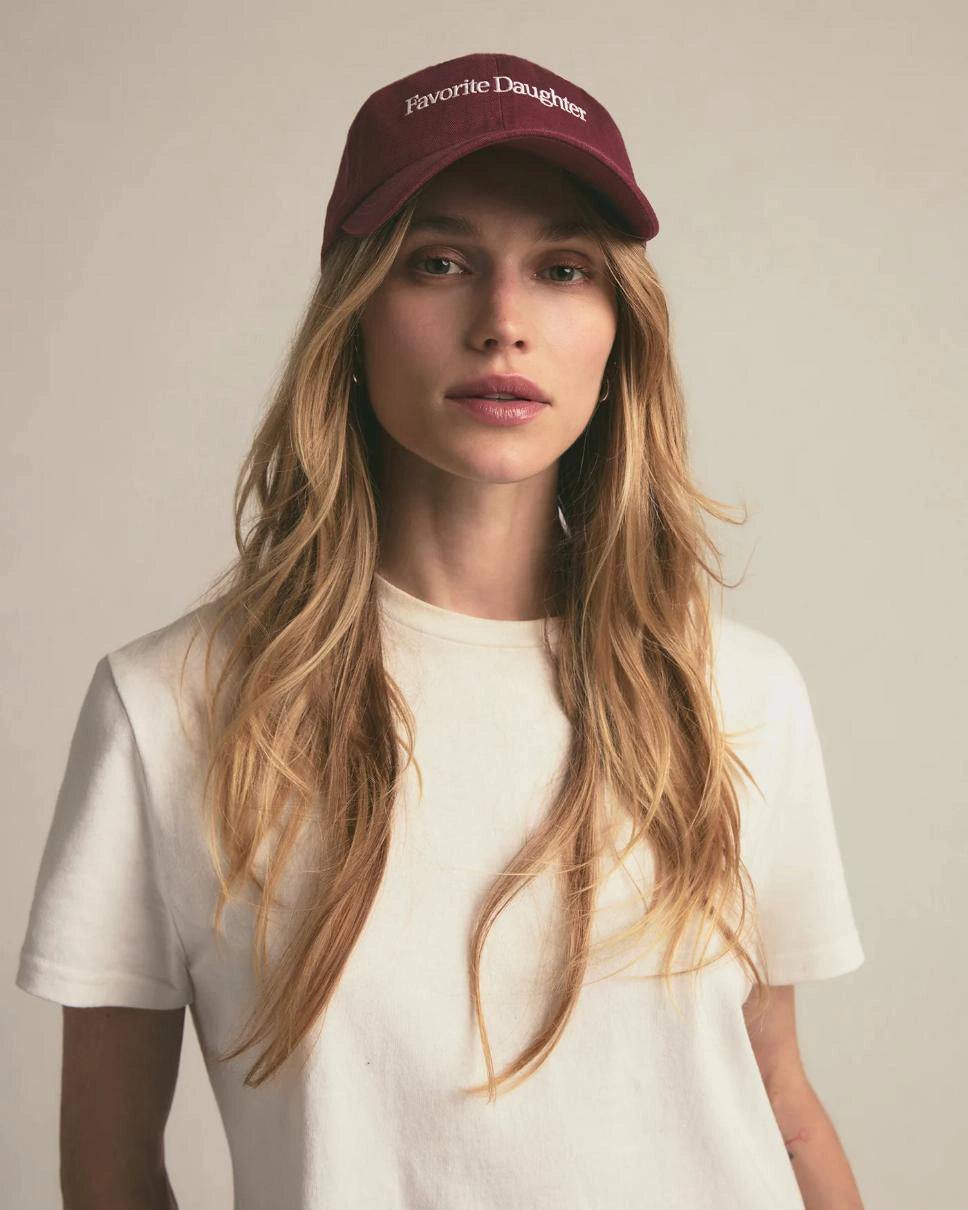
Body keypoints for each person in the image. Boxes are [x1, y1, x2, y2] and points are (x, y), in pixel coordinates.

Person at [15, 50, 867, 1210]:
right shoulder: (170, 709)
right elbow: (108, 1174)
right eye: (438, 262)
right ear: (352, 319)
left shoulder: (734, 697)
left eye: (561, 267)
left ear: (618, 335)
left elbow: (785, 1112)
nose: (502, 321)